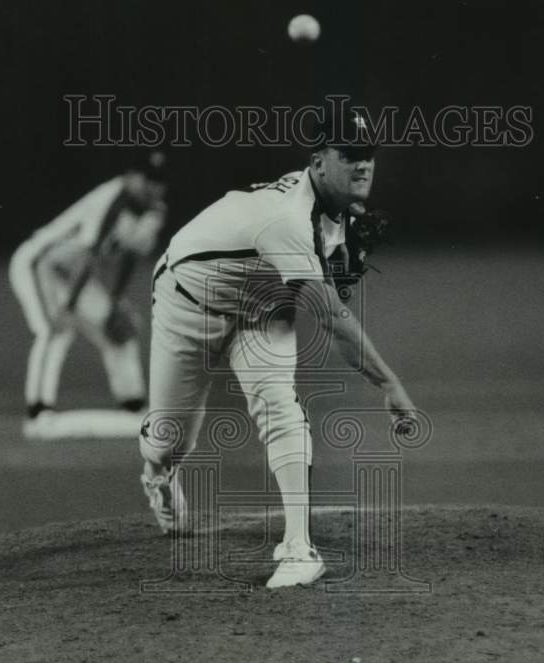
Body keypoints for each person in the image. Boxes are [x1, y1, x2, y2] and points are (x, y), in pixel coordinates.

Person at [138, 112, 418, 588]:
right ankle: (156, 473)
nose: (363, 164)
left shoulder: (337, 212)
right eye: (348, 154)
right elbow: (330, 318)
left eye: (368, 155)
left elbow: (324, 284)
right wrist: (389, 385)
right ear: (318, 162)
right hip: (188, 303)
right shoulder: (287, 219)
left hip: (263, 307)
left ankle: (298, 547)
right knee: (170, 438)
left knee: (280, 407)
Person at [9, 154, 167, 439]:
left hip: (74, 274)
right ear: (131, 176)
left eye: (158, 182)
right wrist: (68, 307)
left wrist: (115, 302)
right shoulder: (112, 200)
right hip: (39, 263)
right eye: (147, 179)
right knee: (54, 329)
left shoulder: (154, 212)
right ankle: (38, 411)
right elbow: (89, 255)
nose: (152, 187)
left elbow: (129, 257)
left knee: (120, 330)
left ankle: (133, 407)